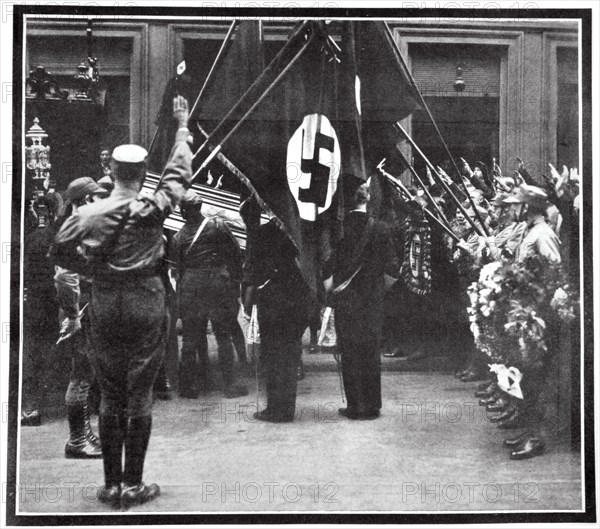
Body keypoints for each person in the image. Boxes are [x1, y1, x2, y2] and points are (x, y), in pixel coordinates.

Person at [53, 96, 192, 508]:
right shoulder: (151, 206)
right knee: (140, 393)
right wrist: (182, 124)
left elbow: (58, 250)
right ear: (144, 172)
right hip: (147, 299)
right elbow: (178, 173)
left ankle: (111, 485)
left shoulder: (90, 214)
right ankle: (135, 484)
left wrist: (92, 269)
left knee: (110, 393)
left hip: (106, 300)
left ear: (110, 171)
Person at [324, 177, 399, 420]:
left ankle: (355, 406)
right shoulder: (381, 228)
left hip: (346, 300)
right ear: (367, 196)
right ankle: (373, 405)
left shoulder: (339, 229)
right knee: (370, 350)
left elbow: (327, 267)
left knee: (350, 351)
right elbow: (393, 271)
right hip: (373, 300)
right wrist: (377, 290)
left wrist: (333, 291)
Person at [500, 184, 562, 460]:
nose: (512, 208)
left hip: (536, 317)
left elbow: (555, 273)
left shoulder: (543, 234)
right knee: (523, 376)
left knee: (535, 379)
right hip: (522, 311)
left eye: (516, 204)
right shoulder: (528, 231)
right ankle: (528, 432)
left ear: (528, 207)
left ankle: (536, 439)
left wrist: (534, 308)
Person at [169, 190, 247, 399]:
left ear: (184, 211)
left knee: (190, 338)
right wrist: (234, 280)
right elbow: (235, 253)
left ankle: (187, 387)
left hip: (191, 286)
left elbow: (176, 270)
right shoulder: (218, 226)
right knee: (223, 335)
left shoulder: (178, 238)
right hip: (217, 284)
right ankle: (229, 385)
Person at [53, 177, 109, 458]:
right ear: (84, 200)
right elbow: (64, 275)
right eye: (95, 197)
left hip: (84, 307)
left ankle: (83, 434)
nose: (99, 201)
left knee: (86, 373)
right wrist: (74, 316)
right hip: (79, 310)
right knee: (81, 375)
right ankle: (77, 440)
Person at [243, 217, 315, 423]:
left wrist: (248, 302)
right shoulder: (300, 227)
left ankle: (275, 408)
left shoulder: (261, 232)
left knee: (273, 356)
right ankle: (287, 408)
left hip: (272, 299)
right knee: (291, 355)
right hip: (297, 297)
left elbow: (253, 269)